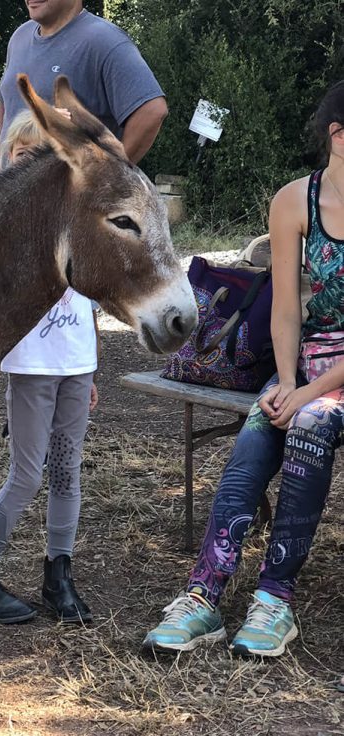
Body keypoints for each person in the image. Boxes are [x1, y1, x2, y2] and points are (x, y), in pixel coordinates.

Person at [144, 80, 344, 658]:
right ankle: (202, 596)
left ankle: (275, 601)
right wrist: (285, 382)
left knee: (306, 423)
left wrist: (307, 393)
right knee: (261, 426)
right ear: (338, 135)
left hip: (330, 384)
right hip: (306, 365)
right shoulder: (293, 202)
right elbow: (284, 309)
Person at [0, 110, 100, 626]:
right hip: (32, 369)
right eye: (21, 153)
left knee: (66, 474)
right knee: (26, 476)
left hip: (76, 363)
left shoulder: (78, 221)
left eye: (42, 155)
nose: (29, 164)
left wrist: (92, 370)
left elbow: (92, 298)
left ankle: (58, 575)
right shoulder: (5, 227)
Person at [0, 0, 168, 167]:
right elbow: (6, 103)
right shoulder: (20, 37)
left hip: (64, 195)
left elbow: (152, 111)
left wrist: (105, 179)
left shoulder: (104, 40)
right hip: (10, 193)